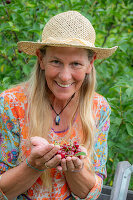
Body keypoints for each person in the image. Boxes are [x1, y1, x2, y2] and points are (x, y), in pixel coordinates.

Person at [0, 11, 118, 200]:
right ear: (41, 59)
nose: (65, 76)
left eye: (76, 64)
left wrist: (75, 170)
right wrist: (34, 166)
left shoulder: (98, 108)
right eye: (56, 61)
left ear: (91, 63)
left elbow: (90, 193)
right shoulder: (10, 104)